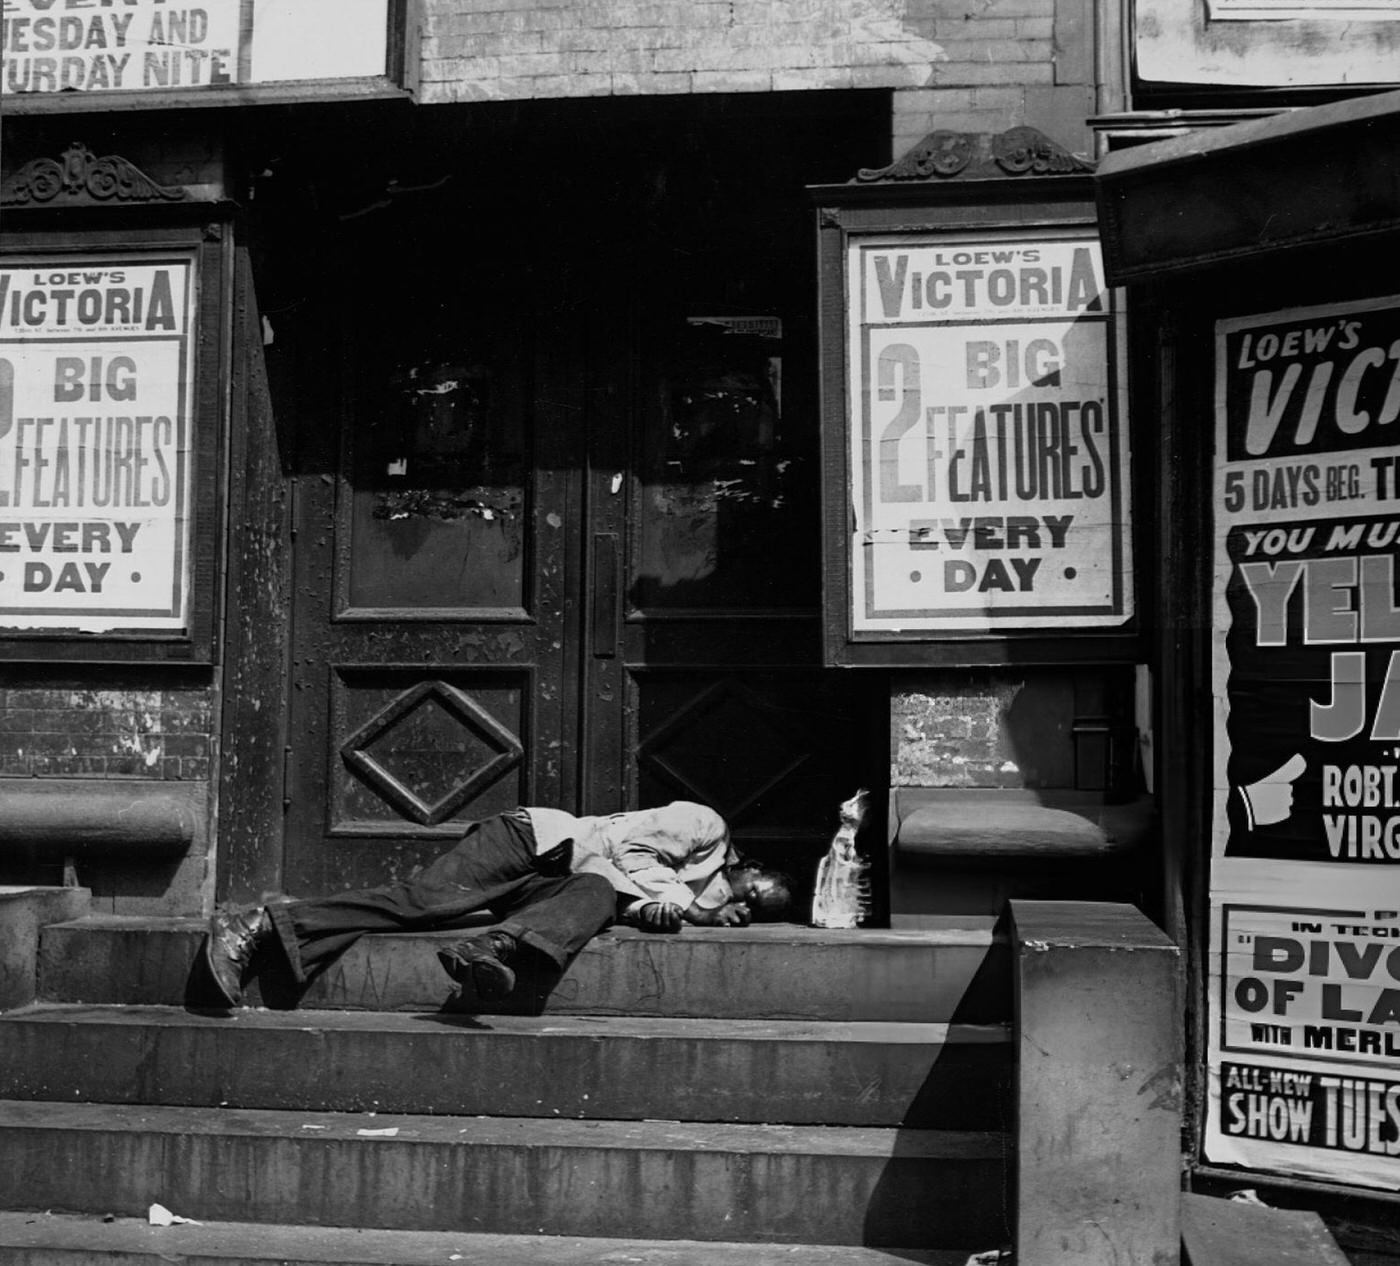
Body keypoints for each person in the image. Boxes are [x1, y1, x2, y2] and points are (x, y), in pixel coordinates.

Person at [203, 801, 793, 1008]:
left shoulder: (688, 893)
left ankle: (494, 947)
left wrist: (651, 914)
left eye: (751, 914)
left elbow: (616, 891)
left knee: (593, 895)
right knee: (421, 904)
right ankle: (252, 925)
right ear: (744, 868)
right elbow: (627, 848)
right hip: (530, 842)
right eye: (745, 899)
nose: (739, 910)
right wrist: (688, 909)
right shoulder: (704, 827)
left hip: (560, 881)